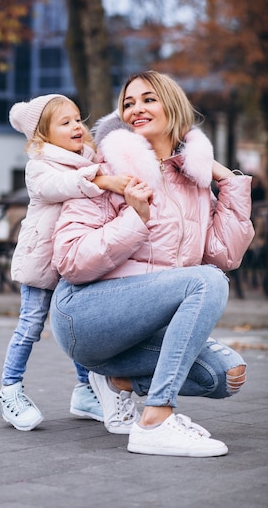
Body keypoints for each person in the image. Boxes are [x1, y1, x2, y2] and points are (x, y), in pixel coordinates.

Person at [50, 70, 255, 457]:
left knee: (225, 376)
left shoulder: (193, 181)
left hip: (143, 333)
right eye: (128, 102)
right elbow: (71, 261)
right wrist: (136, 218)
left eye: (148, 99)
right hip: (84, 314)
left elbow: (224, 256)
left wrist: (228, 182)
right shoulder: (104, 171)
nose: (136, 109)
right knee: (206, 281)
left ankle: (117, 382)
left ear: (171, 106)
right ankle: (156, 420)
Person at [0, 94, 131, 431]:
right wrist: (100, 180)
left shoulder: (88, 158)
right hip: (43, 263)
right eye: (65, 122)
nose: (76, 126)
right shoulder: (39, 166)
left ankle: (85, 392)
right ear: (42, 134)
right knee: (30, 327)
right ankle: (10, 390)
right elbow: (63, 186)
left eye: (77, 118)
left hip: (76, 258)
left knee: (77, 327)